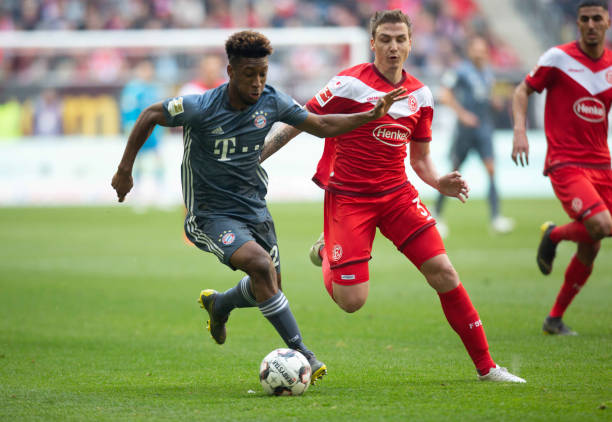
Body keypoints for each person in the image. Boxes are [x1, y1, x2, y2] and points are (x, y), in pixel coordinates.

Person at [111, 30, 407, 385]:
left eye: (263, 73)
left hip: (254, 208)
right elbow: (148, 115)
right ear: (231, 71)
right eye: (250, 74)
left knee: (269, 285)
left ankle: (220, 305)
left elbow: (322, 124)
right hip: (210, 214)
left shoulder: (272, 100)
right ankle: (304, 354)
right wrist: (125, 170)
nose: (257, 82)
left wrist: (369, 116)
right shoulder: (201, 107)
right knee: (260, 266)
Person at [260, 10, 525, 383]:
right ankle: (326, 251)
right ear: (373, 43)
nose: (393, 46)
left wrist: (438, 182)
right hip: (350, 199)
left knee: (444, 272)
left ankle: (487, 367)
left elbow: (419, 158)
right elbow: (299, 120)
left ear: (411, 43)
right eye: (385, 39)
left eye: (400, 39)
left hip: (398, 196)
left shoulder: (421, 95)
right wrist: (255, 157)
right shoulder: (349, 84)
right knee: (352, 302)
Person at [511, 0, 612, 335]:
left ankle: (554, 319)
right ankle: (554, 234)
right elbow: (523, 90)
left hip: (602, 163)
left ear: (607, 22)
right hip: (566, 162)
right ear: (578, 23)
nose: (591, 24)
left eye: (597, 18)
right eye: (585, 19)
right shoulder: (558, 58)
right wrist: (520, 131)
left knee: (592, 243)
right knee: (600, 224)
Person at [434, 36, 514, 237]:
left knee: (491, 170)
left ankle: (496, 218)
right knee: (454, 173)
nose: (480, 53)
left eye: (483, 49)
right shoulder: (460, 70)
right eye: (476, 49)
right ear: (470, 51)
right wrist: (463, 115)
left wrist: (496, 102)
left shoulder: (488, 73)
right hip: (465, 132)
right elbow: (445, 94)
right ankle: (436, 214)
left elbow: (488, 97)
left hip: (484, 130)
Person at [119, 59, 165, 208]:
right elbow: (128, 111)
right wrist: (130, 129)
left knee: (158, 162)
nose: (148, 72)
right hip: (139, 131)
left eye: (149, 69)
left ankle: (160, 193)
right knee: (135, 163)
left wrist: (162, 130)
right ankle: (134, 193)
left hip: (154, 132)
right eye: (144, 69)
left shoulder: (154, 88)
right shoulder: (133, 89)